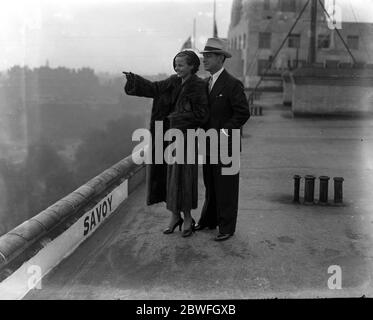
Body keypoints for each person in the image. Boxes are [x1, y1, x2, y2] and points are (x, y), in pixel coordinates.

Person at [124, 50, 209, 237]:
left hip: (186, 139)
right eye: (175, 64)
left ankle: (187, 217)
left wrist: (178, 119)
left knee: (185, 179)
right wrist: (134, 81)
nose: (177, 68)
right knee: (169, 178)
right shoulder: (172, 81)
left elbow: (202, 114)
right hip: (167, 138)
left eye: (181, 65)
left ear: (192, 66)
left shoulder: (198, 86)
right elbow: (154, 88)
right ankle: (174, 216)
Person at [194, 38, 251, 241]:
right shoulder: (205, 83)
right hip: (208, 144)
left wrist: (225, 132)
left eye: (208, 56)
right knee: (211, 184)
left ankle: (226, 228)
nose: (204, 60)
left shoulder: (232, 84)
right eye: (204, 56)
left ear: (220, 58)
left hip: (227, 146)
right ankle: (209, 220)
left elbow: (243, 113)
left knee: (226, 188)